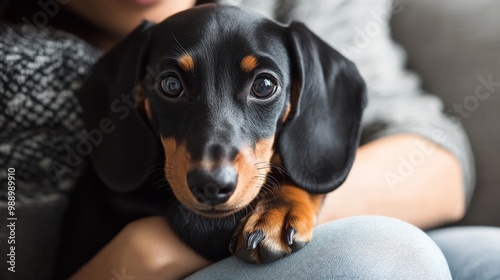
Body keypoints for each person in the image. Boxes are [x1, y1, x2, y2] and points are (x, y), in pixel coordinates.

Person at [0, 0, 499, 279]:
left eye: (263, 85)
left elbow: (438, 169)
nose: (215, 170)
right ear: (139, 96)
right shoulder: (28, 62)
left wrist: (293, 199)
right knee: (382, 257)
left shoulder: (298, 24)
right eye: (171, 85)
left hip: (345, 226)